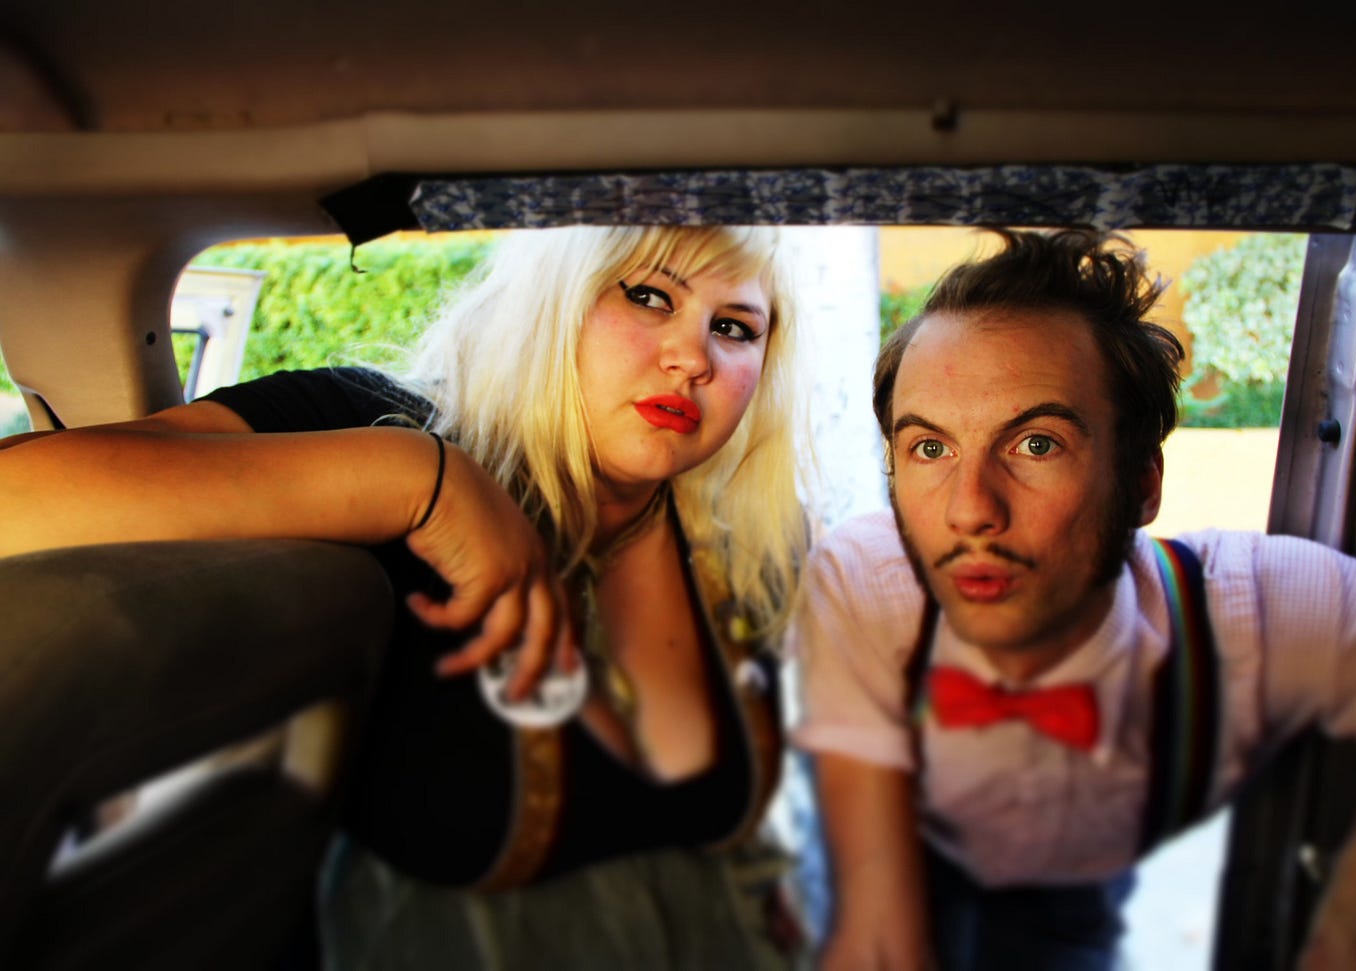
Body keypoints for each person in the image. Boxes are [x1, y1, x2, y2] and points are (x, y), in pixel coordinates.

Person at [0, 225, 812, 969]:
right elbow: (16, 499)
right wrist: (418, 482)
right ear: (558, 297)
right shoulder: (375, 423)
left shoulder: (748, 545)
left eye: (734, 326)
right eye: (650, 296)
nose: (692, 357)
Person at [788, 228, 1356, 970]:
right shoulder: (866, 580)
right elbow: (879, 922)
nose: (969, 510)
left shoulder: (1267, 615)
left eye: (1036, 443)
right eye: (930, 448)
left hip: (1075, 904)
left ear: (1142, 483)